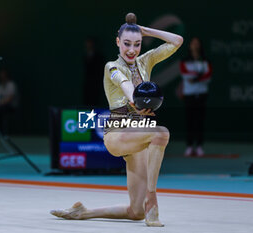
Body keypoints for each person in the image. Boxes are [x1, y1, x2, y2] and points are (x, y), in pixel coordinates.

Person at [50, 13, 183, 227]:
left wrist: (146, 30)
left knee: (135, 213)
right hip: (117, 134)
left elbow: (177, 41)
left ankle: (83, 212)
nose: (132, 50)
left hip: (137, 135)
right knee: (161, 133)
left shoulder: (145, 61)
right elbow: (127, 87)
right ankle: (152, 199)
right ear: (118, 42)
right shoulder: (112, 66)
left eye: (137, 44)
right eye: (127, 44)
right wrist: (136, 102)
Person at [179, 37, 212, 157]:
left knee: (200, 121)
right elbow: (185, 74)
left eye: (197, 43)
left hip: (202, 94)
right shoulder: (185, 61)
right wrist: (199, 76)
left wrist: (196, 78)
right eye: (193, 43)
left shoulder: (205, 60)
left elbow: (208, 76)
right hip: (189, 94)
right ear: (190, 46)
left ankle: (199, 146)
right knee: (190, 121)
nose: (195, 45)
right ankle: (189, 146)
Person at [0, 69, 18, 134]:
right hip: (0, 106)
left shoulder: (11, 85)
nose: (2, 77)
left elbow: (10, 99)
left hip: (11, 106)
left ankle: (3, 132)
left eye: (3, 75)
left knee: (1, 109)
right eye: (1, 76)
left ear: (6, 76)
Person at [83, 37, 105, 106]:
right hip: (87, 84)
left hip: (96, 84)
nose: (88, 46)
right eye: (87, 44)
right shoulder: (85, 56)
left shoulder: (99, 57)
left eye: (90, 44)